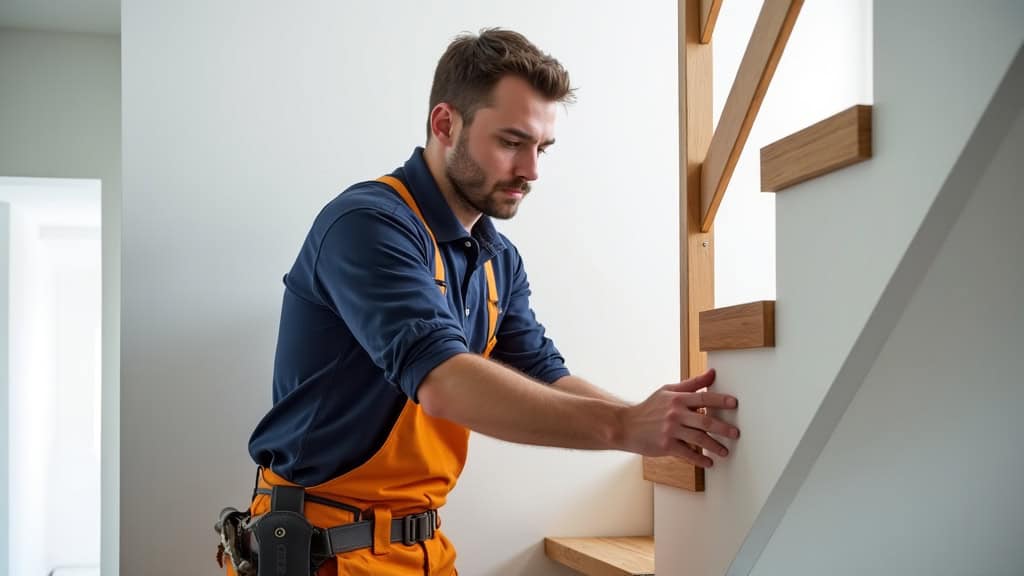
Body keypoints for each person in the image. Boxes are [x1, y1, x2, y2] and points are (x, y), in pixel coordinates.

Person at [229, 28, 740, 576]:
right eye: (512, 142)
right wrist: (623, 426)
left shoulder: (499, 259)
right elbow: (444, 382)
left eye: (542, 148)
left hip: (422, 549)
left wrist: (654, 425)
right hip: (322, 552)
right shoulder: (368, 225)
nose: (532, 170)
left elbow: (546, 374)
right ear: (445, 124)